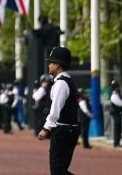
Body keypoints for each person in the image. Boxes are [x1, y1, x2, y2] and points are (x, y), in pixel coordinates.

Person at [37, 46, 79, 175]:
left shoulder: (61, 83)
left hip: (64, 130)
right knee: (59, 169)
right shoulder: (65, 81)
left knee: (57, 170)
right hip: (67, 129)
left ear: (57, 65)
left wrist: (46, 128)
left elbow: (55, 109)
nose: (48, 65)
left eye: (51, 62)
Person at [109, 80, 122, 148]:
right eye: (116, 87)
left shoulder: (117, 95)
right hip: (116, 114)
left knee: (118, 128)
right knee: (117, 128)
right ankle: (116, 142)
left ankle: (117, 142)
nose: (118, 88)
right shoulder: (114, 96)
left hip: (118, 113)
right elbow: (120, 103)